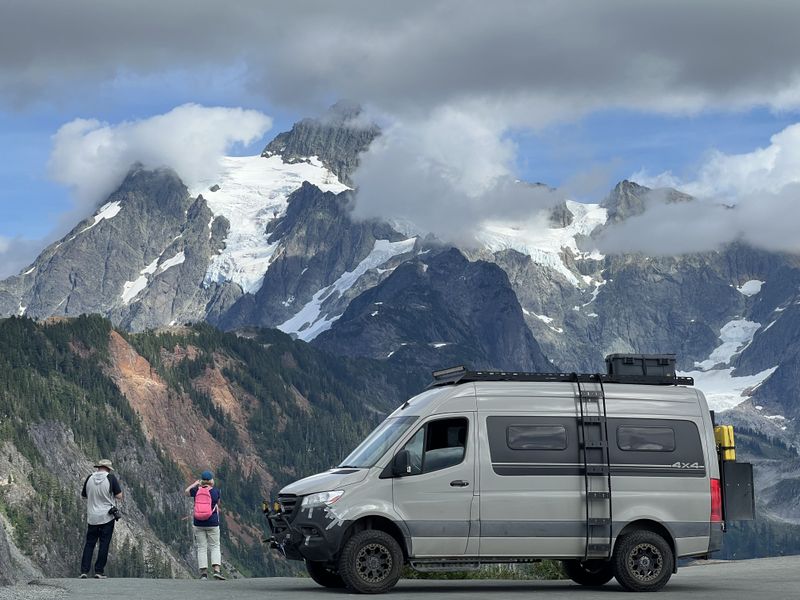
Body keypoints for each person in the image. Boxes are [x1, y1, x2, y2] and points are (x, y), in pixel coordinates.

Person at [80, 459, 123, 579]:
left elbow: (84, 496)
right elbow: (119, 496)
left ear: (98, 467)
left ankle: (84, 571)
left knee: (89, 544)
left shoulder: (89, 478)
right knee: (104, 544)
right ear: (108, 468)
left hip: (92, 517)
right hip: (106, 516)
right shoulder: (110, 478)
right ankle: (99, 571)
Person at [185, 470, 225, 580]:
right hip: (212, 522)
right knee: (215, 546)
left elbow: (186, 491)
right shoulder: (216, 491)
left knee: (202, 547)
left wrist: (195, 484)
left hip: (198, 523)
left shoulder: (196, 490)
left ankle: (203, 574)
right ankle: (216, 570)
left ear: (202, 480)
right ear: (211, 480)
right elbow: (218, 504)